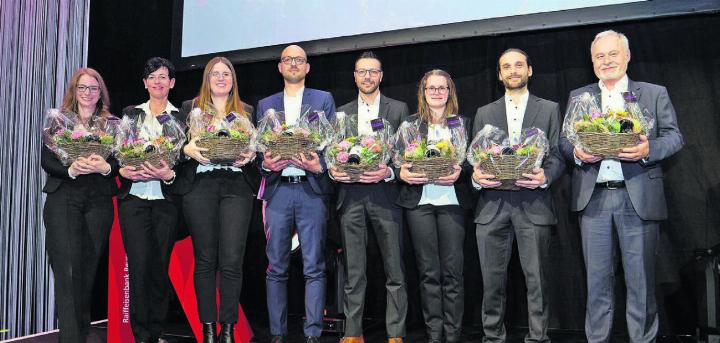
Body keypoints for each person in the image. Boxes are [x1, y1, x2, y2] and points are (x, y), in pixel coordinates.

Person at [559, 30, 683, 343]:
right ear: (592, 62)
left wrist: (647, 151)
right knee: (597, 283)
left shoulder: (653, 93)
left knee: (640, 283)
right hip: (593, 200)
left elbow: (674, 136)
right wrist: (577, 153)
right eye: (599, 56)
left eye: (612, 54)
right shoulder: (579, 96)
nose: (606, 61)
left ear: (627, 56)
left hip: (637, 198)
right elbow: (562, 141)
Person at [471, 48, 564, 343]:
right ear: (500, 75)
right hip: (492, 205)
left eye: (518, 65)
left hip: (533, 202)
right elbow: (473, 158)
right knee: (491, 283)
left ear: (529, 70)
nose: (513, 71)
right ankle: (492, 338)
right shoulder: (484, 113)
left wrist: (545, 176)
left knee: (536, 281)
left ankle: (538, 338)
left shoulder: (549, 109)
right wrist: (475, 177)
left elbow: (558, 155)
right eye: (506, 67)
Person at [255, 44, 336, 343]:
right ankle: (277, 334)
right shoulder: (266, 104)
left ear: (307, 67)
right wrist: (265, 163)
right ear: (279, 67)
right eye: (287, 60)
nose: (293, 64)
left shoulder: (322, 99)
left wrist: (319, 165)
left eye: (299, 60)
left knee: (314, 265)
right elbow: (258, 150)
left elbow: (332, 143)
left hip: (310, 191)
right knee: (276, 266)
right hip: (277, 193)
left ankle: (312, 334)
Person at [176, 56, 258, 343]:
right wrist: (187, 148)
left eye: (226, 74)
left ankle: (228, 330)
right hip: (200, 186)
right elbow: (176, 148)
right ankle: (208, 330)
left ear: (233, 80)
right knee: (205, 260)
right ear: (207, 79)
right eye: (215, 74)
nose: (221, 79)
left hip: (236, 186)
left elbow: (254, 151)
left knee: (232, 261)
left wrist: (250, 156)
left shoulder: (246, 111)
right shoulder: (190, 108)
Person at [331, 51, 409, 343]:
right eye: (362, 72)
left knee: (395, 270)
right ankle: (353, 333)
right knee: (354, 271)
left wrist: (388, 172)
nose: (367, 77)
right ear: (354, 76)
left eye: (372, 72)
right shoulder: (341, 112)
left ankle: (396, 334)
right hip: (350, 196)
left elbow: (405, 156)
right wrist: (333, 172)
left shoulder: (398, 109)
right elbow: (332, 153)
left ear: (381, 76)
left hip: (386, 196)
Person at [396, 69, 473, 343]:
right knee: (428, 273)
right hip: (420, 205)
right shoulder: (410, 125)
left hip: (452, 203)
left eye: (442, 88)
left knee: (453, 273)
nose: (437, 92)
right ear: (423, 93)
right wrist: (401, 172)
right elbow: (398, 161)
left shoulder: (462, 123)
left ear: (449, 92)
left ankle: (452, 334)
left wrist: (460, 172)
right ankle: (434, 335)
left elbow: (472, 161)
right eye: (432, 88)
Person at [41, 67, 117, 342]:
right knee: (68, 270)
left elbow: (120, 163)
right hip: (64, 197)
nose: (88, 93)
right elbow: (47, 161)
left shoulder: (112, 125)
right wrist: (71, 168)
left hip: (98, 200)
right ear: (74, 91)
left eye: (93, 88)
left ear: (101, 93)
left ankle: (79, 335)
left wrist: (106, 166)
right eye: (82, 88)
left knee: (86, 271)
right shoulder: (58, 123)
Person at [117, 57, 184, 343]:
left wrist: (169, 172)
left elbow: (183, 163)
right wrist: (124, 167)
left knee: (159, 269)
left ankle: (155, 332)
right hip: (134, 200)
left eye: (163, 77)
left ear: (171, 83)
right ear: (145, 83)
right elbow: (118, 150)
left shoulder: (180, 117)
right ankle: (140, 335)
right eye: (152, 77)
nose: (157, 82)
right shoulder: (131, 114)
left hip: (165, 201)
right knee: (139, 267)